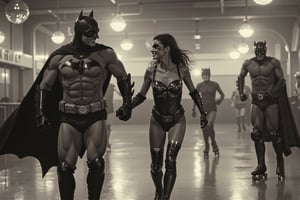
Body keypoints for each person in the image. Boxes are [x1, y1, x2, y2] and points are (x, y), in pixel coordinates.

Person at [0, 10, 133, 200]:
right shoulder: (60, 57)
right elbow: (44, 86)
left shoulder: (106, 54)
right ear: (79, 33)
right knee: (65, 167)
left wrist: (127, 104)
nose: (95, 37)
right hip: (68, 117)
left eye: (96, 33)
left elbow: (122, 77)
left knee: (96, 163)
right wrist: (41, 113)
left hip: (95, 115)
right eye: (90, 33)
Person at [128, 33, 207, 200]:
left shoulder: (182, 70)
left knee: (170, 159)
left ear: (167, 49)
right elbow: (141, 95)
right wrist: (127, 106)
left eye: (156, 46)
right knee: (156, 166)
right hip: (157, 119)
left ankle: (165, 197)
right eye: (152, 46)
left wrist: (203, 112)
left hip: (177, 119)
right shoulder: (151, 71)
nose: (152, 50)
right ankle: (159, 190)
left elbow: (194, 92)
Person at [237, 41, 300, 181]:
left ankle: (280, 163)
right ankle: (261, 165)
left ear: (265, 49)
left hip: (270, 101)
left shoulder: (273, 63)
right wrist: (241, 92)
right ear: (254, 50)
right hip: (256, 101)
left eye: (262, 49)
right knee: (256, 133)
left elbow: (281, 80)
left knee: (273, 132)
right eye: (257, 49)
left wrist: (273, 91)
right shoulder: (248, 63)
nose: (259, 52)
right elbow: (240, 77)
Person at [192, 68, 225, 158]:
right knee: (204, 128)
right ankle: (207, 145)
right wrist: (193, 109)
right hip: (203, 109)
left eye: (206, 74)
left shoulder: (214, 84)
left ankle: (213, 143)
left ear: (209, 75)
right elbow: (196, 98)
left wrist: (219, 101)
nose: (204, 76)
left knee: (209, 124)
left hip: (212, 108)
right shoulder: (199, 85)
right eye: (203, 75)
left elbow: (222, 94)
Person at [104, 83, 120, 150]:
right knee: (103, 127)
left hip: (110, 108)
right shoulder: (100, 84)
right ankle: (105, 143)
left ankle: (107, 142)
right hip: (102, 108)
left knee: (108, 126)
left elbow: (120, 94)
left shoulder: (112, 86)